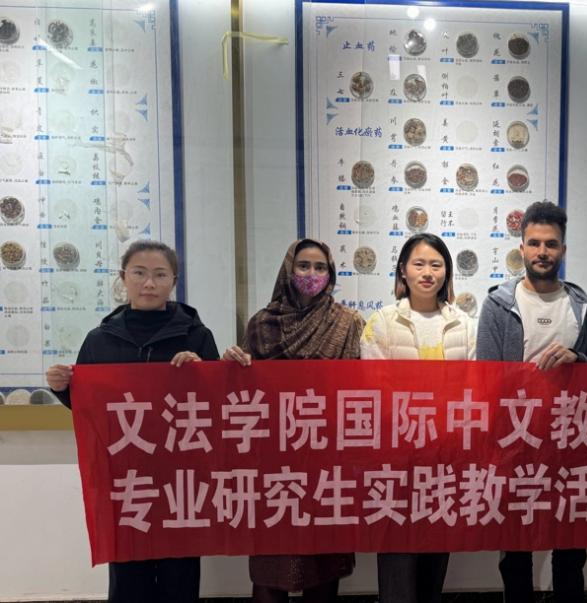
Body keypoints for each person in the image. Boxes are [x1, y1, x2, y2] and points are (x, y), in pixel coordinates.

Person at [45, 239, 219, 603]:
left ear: (174, 281)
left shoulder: (197, 336)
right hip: (125, 476)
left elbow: (218, 407)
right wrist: (62, 388)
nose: (149, 283)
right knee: (127, 577)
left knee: (179, 575)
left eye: (160, 275)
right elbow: (90, 409)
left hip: (180, 477)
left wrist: (202, 373)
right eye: (139, 273)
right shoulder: (100, 340)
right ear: (123, 278)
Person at [476, 200, 587, 603]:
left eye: (551, 244)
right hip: (515, 444)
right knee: (515, 552)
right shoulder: (499, 305)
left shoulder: (582, 306)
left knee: (570, 553)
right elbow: (486, 378)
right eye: (534, 243)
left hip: (571, 443)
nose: (542, 251)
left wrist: (577, 360)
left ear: (563, 250)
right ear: (522, 248)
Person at [223, 238, 363, 603]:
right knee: (271, 565)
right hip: (273, 463)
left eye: (320, 267)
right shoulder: (261, 324)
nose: (311, 274)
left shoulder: (347, 323)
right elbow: (244, 395)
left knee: (323, 564)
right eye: (303, 266)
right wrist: (231, 365)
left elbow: (359, 389)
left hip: (325, 460)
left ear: (331, 274)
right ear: (288, 270)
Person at [360, 232, 476, 603]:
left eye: (436, 265)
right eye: (419, 264)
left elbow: (474, 389)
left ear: (447, 272)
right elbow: (374, 391)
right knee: (397, 561)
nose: (428, 272)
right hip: (396, 462)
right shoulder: (381, 322)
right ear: (403, 271)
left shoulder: (465, 325)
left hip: (445, 460)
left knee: (435, 560)